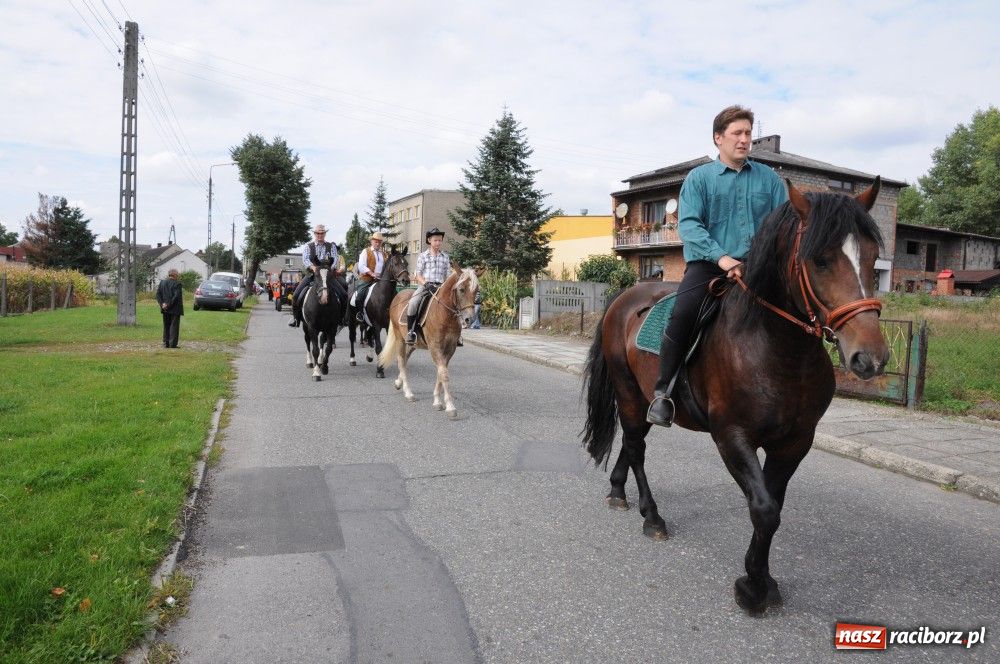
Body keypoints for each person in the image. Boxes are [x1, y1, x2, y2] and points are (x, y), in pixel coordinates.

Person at [646, 105, 788, 427]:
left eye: (748, 133)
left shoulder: (770, 180)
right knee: (683, 312)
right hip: (710, 265)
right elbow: (691, 226)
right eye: (737, 133)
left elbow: (785, 223)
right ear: (718, 138)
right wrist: (723, 257)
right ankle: (663, 392)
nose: (744, 140)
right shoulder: (699, 179)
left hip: (759, 268)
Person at [289, 224, 348, 327]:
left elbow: (335, 260)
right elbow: (305, 260)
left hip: (327, 275)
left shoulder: (331, 246)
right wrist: (313, 267)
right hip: (313, 275)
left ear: (325, 234)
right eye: (318, 233)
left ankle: (341, 319)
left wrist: (330, 268)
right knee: (296, 295)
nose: (320, 235)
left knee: (344, 295)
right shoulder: (308, 246)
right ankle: (296, 319)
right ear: (315, 234)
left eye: (322, 233)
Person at [406, 227, 450, 344]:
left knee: (454, 303)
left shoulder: (445, 257)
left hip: (441, 286)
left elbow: (447, 275)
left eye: (440, 240)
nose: (438, 243)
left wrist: (445, 286)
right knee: (413, 302)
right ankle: (411, 332)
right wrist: (426, 284)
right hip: (426, 286)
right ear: (429, 240)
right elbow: (418, 274)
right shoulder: (423, 256)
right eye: (435, 240)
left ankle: (456, 334)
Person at [352, 231, 388, 321]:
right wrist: (372, 273)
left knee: (393, 293)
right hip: (367, 279)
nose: (377, 243)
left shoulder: (383, 254)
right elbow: (361, 266)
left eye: (379, 242)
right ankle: (360, 313)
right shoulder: (366, 251)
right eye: (376, 241)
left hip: (380, 280)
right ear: (372, 241)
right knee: (360, 295)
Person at [155, 268, 184, 348]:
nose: (178, 275)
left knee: (166, 325)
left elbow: (158, 295)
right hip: (174, 308)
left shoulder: (162, 283)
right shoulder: (177, 284)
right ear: (174, 274)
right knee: (174, 326)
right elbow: (176, 296)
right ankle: (173, 344)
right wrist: (168, 304)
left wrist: (162, 304)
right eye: (177, 274)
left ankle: (166, 343)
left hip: (165, 308)